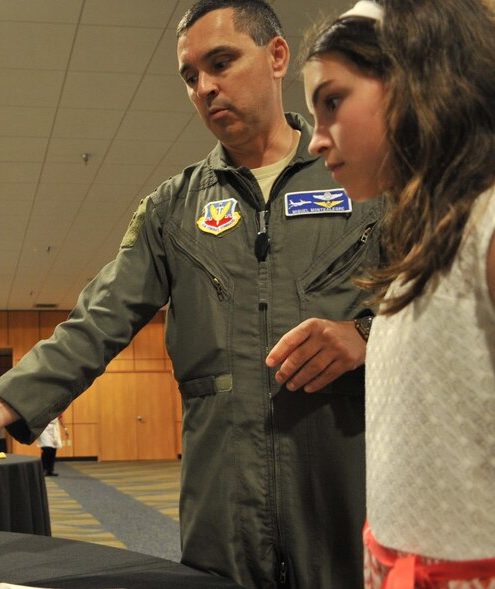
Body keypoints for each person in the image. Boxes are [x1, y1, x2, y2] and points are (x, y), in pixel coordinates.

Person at [0, 1, 384, 586]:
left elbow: (444, 311)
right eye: (190, 77)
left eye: (221, 62)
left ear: (278, 55)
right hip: (222, 502)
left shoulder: (363, 177)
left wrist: (366, 336)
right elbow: (94, 324)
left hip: (345, 480)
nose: (205, 88)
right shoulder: (173, 210)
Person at [294, 1, 495, 586]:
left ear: (419, 75)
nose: (315, 141)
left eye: (332, 101)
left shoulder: (487, 223)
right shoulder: (422, 243)